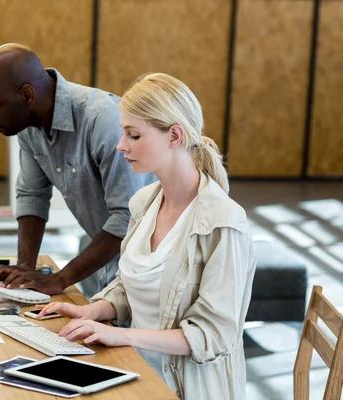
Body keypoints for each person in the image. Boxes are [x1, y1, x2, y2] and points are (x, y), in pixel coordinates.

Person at [36, 73, 257, 399]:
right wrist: (95, 310)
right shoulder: (145, 203)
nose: (120, 145)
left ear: (174, 136)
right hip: (136, 371)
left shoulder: (224, 224)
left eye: (134, 135)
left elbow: (213, 336)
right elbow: (133, 285)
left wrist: (125, 337)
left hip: (185, 388)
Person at [0, 43, 156, 297]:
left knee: (125, 336)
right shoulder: (29, 125)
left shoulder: (103, 121)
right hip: (106, 256)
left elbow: (128, 217)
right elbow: (32, 195)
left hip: (150, 265)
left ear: (27, 95)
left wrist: (61, 279)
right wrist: (24, 268)